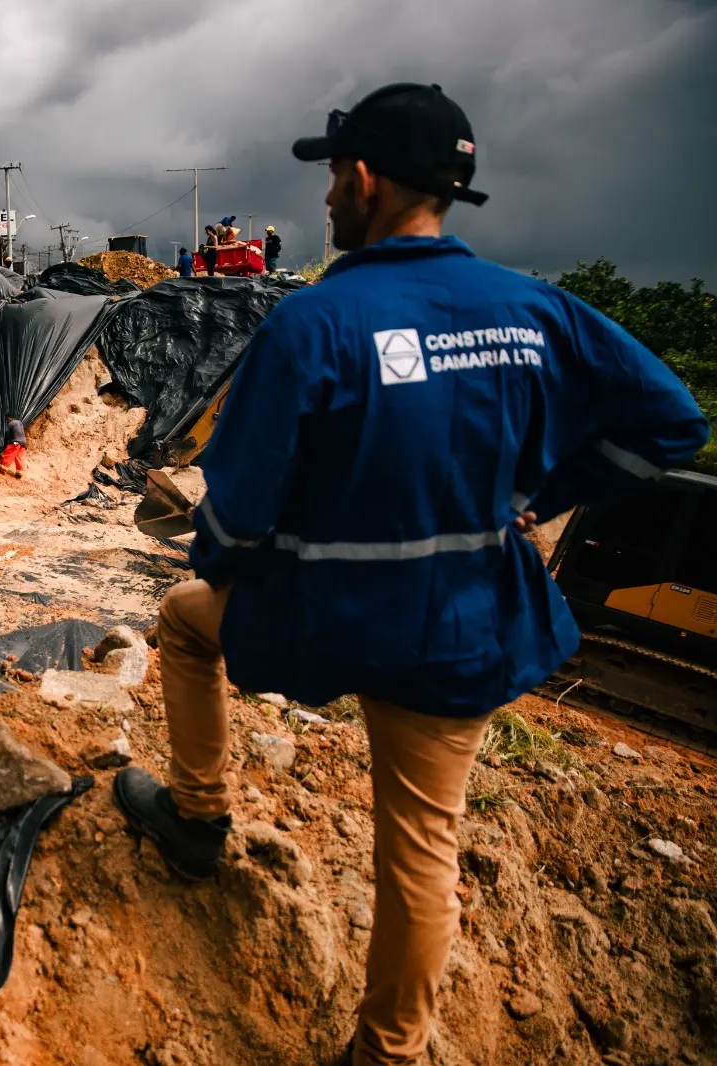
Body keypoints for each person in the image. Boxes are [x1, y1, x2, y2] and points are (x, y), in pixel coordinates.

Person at [110, 82, 708, 1066]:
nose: (328, 193)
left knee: (183, 618)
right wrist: (547, 494)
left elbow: (236, 512)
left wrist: (235, 570)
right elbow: (672, 422)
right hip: (466, 630)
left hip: (328, 620)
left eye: (336, 172)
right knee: (420, 852)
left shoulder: (316, 323)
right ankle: (387, 1052)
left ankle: (197, 817)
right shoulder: (532, 309)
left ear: (366, 178)